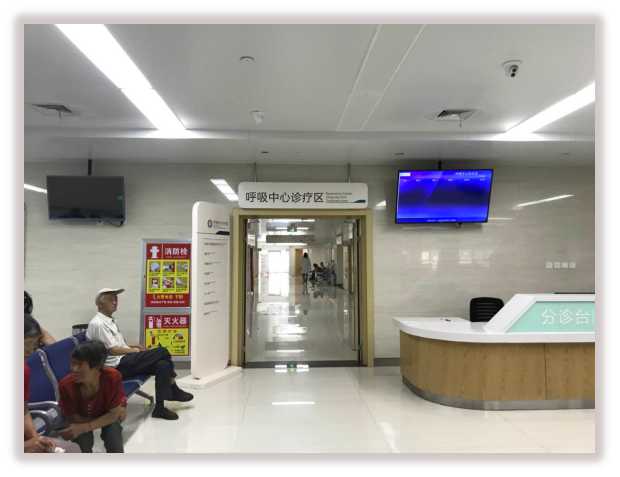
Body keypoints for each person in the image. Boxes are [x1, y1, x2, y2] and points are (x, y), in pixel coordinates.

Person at [86, 288, 193, 420]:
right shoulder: (98, 324)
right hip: (116, 367)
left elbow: (116, 345)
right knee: (162, 351)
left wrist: (132, 346)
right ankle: (173, 388)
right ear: (100, 304)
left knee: (163, 364)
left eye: (116, 299)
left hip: (123, 360)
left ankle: (159, 409)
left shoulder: (109, 320)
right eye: (110, 300)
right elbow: (112, 350)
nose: (115, 302)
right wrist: (135, 351)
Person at [24, 314, 80, 453]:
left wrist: (36, 439)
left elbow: (23, 409)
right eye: (26, 345)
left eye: (33, 345)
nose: (30, 351)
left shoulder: (23, 370)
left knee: (72, 449)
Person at [58, 341, 126, 453]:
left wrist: (87, 426)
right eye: (72, 363)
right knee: (82, 442)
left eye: (79, 364)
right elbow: (74, 417)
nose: (73, 369)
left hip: (102, 414)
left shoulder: (112, 377)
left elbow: (114, 415)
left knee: (113, 435)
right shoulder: (66, 385)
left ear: (97, 366)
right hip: (81, 418)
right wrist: (110, 416)